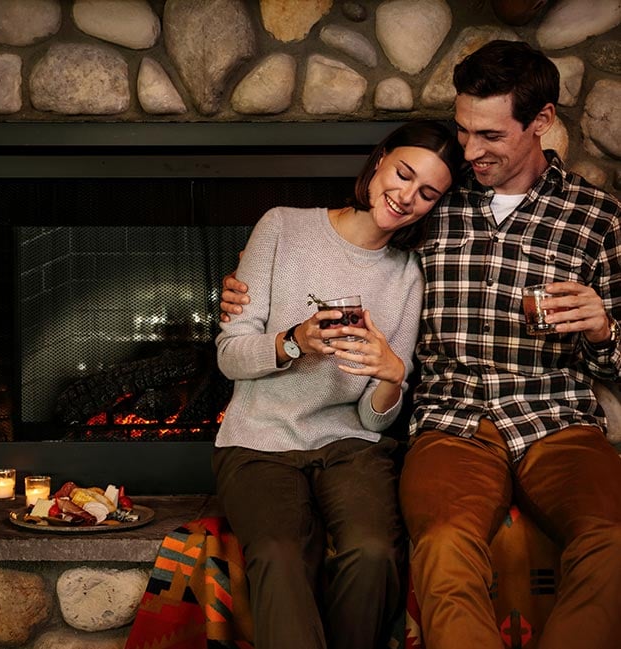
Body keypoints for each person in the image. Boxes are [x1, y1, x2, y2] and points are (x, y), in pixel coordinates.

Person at [220, 40, 621, 649]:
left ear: (541, 122)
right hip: (451, 422)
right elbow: (348, 242)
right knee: (441, 546)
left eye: (488, 135)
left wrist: (604, 330)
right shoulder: (437, 201)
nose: (469, 151)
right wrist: (247, 296)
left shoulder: (598, 219)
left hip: (557, 418)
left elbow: (617, 358)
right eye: (461, 131)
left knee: (614, 540)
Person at [214, 120, 462, 649]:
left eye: (426, 193)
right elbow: (231, 355)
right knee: (279, 553)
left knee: (374, 552)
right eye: (402, 173)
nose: (406, 197)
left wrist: (392, 375)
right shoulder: (281, 227)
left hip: (350, 446)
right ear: (378, 162)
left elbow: (374, 419)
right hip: (259, 438)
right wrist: (293, 341)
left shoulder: (407, 274)